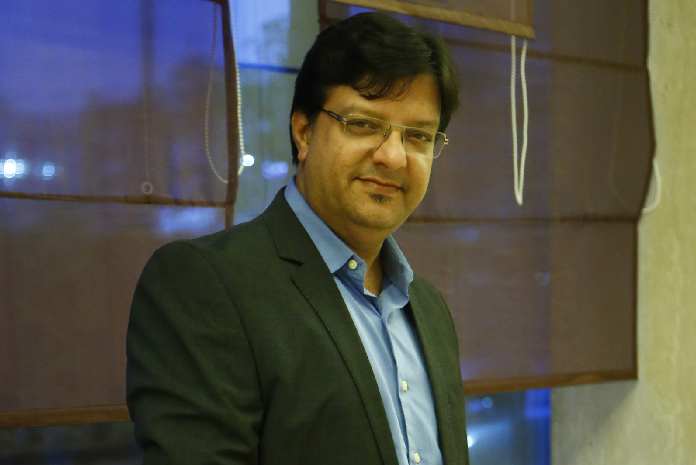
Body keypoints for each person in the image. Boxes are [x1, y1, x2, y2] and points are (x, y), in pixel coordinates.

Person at [126, 11, 467, 465]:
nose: (393, 156)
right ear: (303, 131)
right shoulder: (205, 285)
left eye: (418, 136)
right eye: (364, 124)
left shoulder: (427, 307)